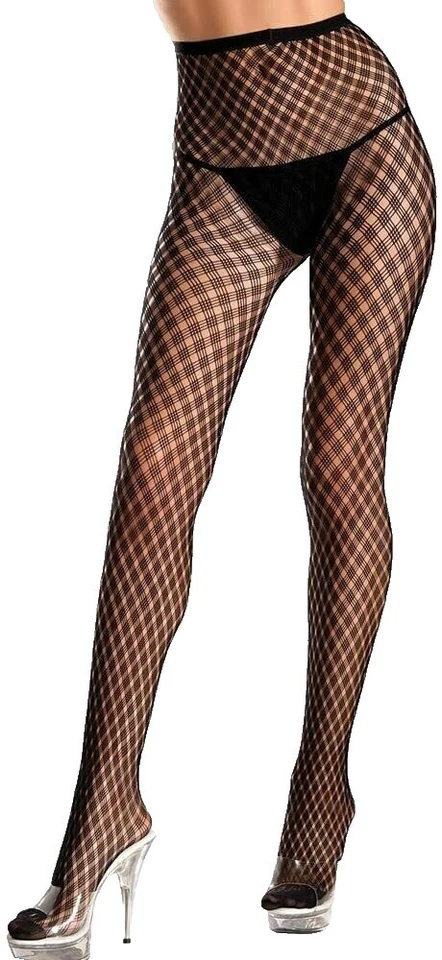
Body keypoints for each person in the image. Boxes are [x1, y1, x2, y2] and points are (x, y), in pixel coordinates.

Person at [7, 0, 436, 953]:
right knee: (154, 463)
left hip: (365, 140)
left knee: (338, 458)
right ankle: (104, 810)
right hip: (218, 164)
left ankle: (322, 788)